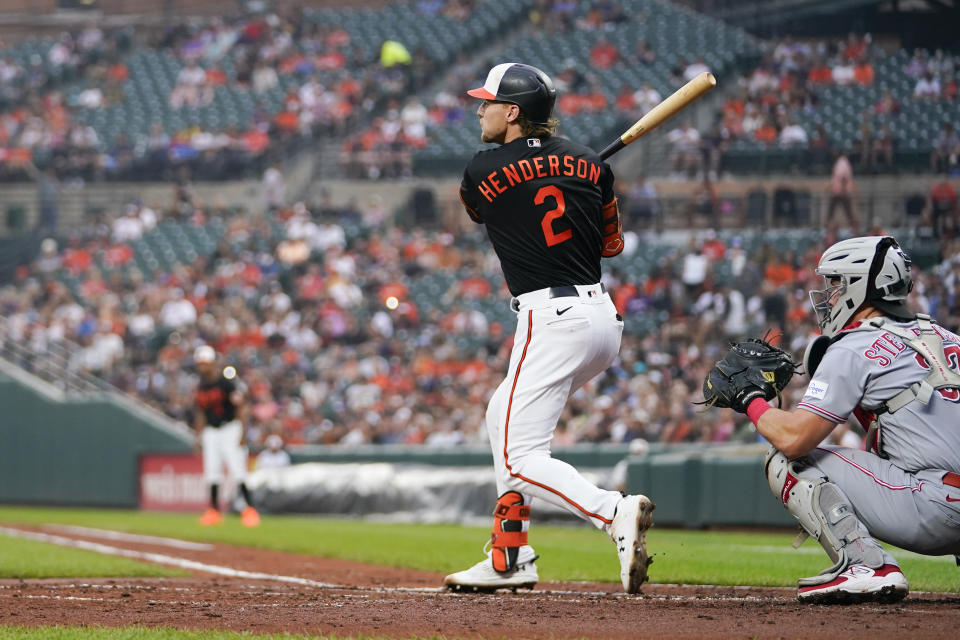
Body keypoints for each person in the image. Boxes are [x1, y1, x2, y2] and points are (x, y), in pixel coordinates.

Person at [445, 62, 654, 594]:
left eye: (488, 102)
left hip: (551, 318)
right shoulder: (591, 165)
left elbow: (476, 208)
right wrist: (573, 174)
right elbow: (612, 246)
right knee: (501, 416)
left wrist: (536, 175)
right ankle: (509, 554)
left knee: (520, 458)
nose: (480, 110)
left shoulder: (481, 168)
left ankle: (612, 512)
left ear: (512, 112)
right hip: (601, 319)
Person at [727, 236, 960, 603]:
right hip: (944, 494)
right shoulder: (948, 338)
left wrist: (750, 400)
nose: (829, 295)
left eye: (835, 284)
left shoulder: (854, 345)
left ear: (858, 286)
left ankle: (866, 564)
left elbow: (795, 439)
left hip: (935, 509)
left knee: (786, 459)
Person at [193, 345, 260, 527]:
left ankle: (250, 509)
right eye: (200, 364)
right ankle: (214, 510)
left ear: (213, 363)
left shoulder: (226, 382)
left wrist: (243, 432)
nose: (202, 367)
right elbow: (200, 412)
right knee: (212, 472)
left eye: (205, 363)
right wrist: (198, 437)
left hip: (230, 428)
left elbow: (242, 407)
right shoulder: (200, 386)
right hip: (211, 431)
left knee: (238, 469)